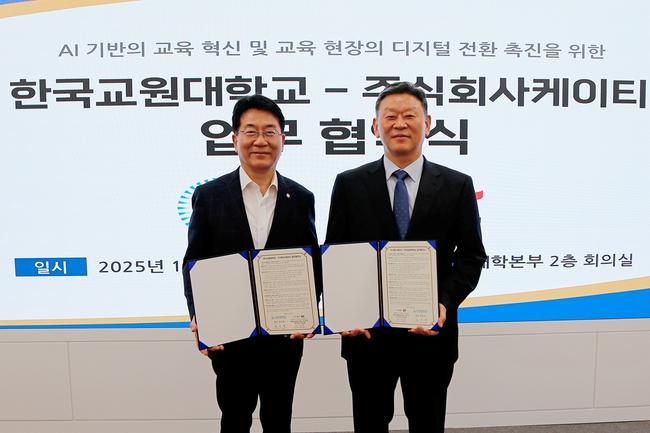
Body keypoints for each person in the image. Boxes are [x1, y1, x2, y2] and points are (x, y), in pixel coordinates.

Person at [325, 81, 486, 433]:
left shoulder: (457, 185)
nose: (400, 123)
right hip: (367, 336)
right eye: (390, 116)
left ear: (427, 124)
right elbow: (335, 255)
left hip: (431, 335)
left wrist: (444, 302)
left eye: (410, 115)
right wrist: (342, 311)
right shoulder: (349, 184)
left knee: (427, 424)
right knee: (369, 425)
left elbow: (472, 256)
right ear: (375, 126)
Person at [182, 94, 319, 433]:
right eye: (251, 131)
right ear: (235, 139)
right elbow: (194, 262)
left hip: (283, 335)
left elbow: (311, 261)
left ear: (283, 140)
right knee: (234, 417)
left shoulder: (301, 198)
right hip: (230, 332)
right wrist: (201, 317)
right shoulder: (210, 196)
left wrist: (309, 311)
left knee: (279, 419)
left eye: (270, 132)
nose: (261, 141)